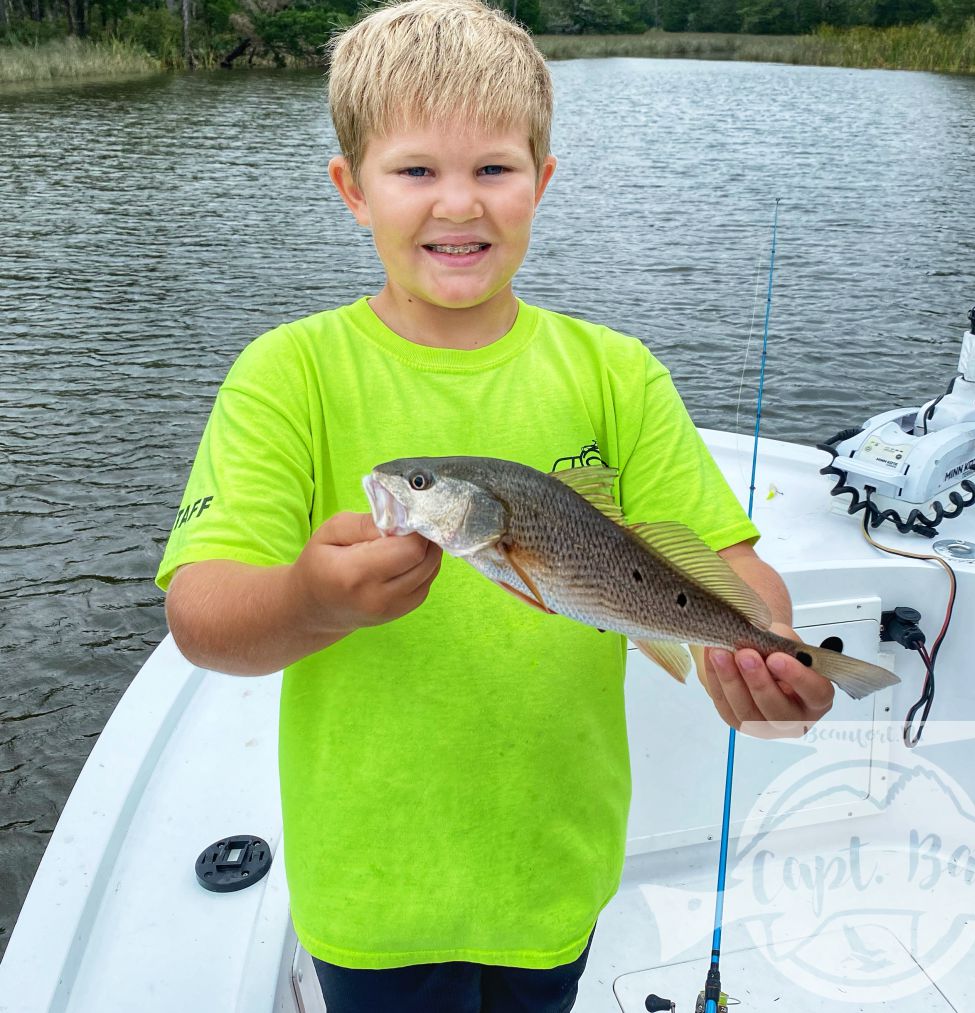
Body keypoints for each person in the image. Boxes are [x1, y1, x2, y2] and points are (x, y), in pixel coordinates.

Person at [156, 2, 835, 1010]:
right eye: (416, 170)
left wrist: (762, 649)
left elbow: (727, 566)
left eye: (494, 169)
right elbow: (203, 615)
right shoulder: (286, 373)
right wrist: (314, 599)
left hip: (555, 866)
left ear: (542, 182)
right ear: (352, 190)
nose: (459, 205)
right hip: (372, 885)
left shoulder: (618, 372)